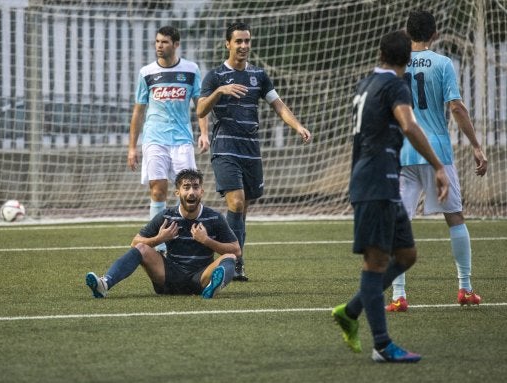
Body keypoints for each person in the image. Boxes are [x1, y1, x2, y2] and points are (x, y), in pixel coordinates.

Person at [332, 30, 449, 363]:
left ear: (380, 53)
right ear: (407, 59)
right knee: (376, 263)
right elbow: (409, 125)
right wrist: (438, 166)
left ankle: (351, 310)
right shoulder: (396, 86)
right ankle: (382, 345)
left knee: (407, 254)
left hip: (381, 182)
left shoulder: (366, 83)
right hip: (375, 184)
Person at [386, 10, 488, 312]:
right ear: (436, 34)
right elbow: (456, 107)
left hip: (404, 152)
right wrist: (476, 146)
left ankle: (398, 295)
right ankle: (465, 288)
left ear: (407, 33)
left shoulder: (395, 66)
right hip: (438, 154)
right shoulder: (443, 64)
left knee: (399, 222)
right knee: (454, 217)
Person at [197, 22, 311, 281]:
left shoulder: (259, 75)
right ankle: (233, 262)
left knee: (242, 211)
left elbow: (278, 105)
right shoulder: (215, 76)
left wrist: (298, 126)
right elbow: (201, 110)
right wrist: (220, 91)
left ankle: (235, 260)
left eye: (247, 41)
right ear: (228, 44)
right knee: (236, 202)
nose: (244, 46)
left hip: (251, 151)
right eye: (238, 41)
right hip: (225, 148)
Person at [85, 169, 240, 299]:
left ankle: (213, 287)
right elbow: (134, 243)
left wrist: (206, 241)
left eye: (195, 187)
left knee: (230, 257)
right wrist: (160, 238)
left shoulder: (214, 218)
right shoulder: (167, 216)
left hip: (201, 278)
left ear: (202, 191)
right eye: (186, 187)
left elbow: (236, 250)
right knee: (141, 248)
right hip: (169, 278)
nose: (191, 192)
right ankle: (104, 284)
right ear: (177, 192)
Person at [127, 26, 210, 254]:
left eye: (164, 42)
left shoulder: (191, 70)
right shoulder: (146, 72)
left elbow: (200, 105)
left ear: (176, 44)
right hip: (154, 139)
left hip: (182, 140)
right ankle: (160, 245)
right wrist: (132, 147)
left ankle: (190, 239)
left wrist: (204, 133)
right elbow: (138, 111)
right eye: (157, 41)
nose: (159, 46)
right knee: (158, 191)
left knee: (189, 191)